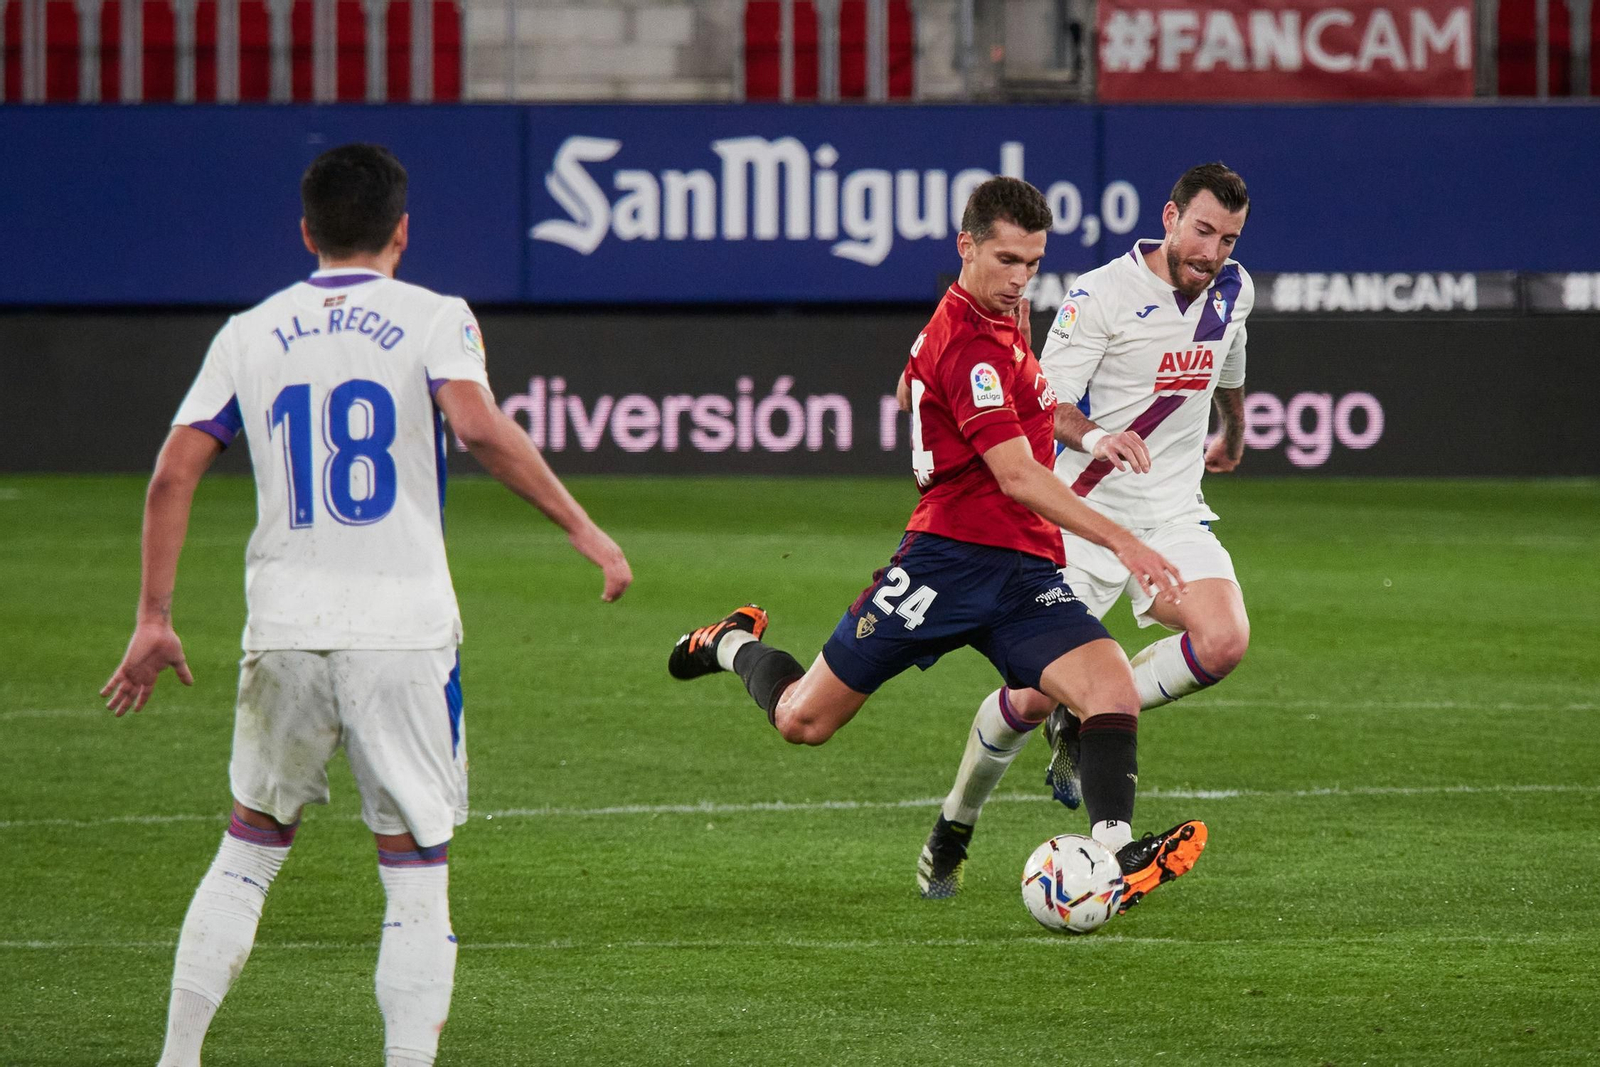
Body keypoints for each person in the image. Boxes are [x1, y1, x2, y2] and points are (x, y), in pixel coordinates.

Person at [100, 143, 632, 1067]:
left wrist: (154, 614)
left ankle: (176, 1058)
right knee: (416, 872)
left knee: (250, 846)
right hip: (403, 632)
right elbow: (474, 425)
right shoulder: (435, 316)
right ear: (403, 230)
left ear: (306, 232)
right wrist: (585, 530)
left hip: (286, 628)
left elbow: (172, 473)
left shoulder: (249, 330)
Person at [667, 176, 1207, 911]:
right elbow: (1015, 474)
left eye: (1034, 263)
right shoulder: (970, 347)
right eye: (1008, 260)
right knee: (803, 719)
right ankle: (729, 641)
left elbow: (932, 391)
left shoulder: (995, 320)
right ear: (967, 246)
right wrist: (1125, 542)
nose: (1021, 280)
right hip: (942, 565)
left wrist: (943, 402)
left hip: (1021, 570)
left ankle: (1114, 854)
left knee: (1108, 680)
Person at [922, 161, 1253, 897]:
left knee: (1225, 639)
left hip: (1173, 510)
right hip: (1086, 515)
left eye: (1228, 239)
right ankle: (955, 820)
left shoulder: (1234, 286)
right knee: (1029, 696)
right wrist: (1097, 434)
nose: (1213, 252)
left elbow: (1228, 358)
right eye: (1202, 231)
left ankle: (1091, 715)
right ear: (1169, 219)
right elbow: (1047, 402)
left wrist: (1233, 428)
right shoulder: (1100, 295)